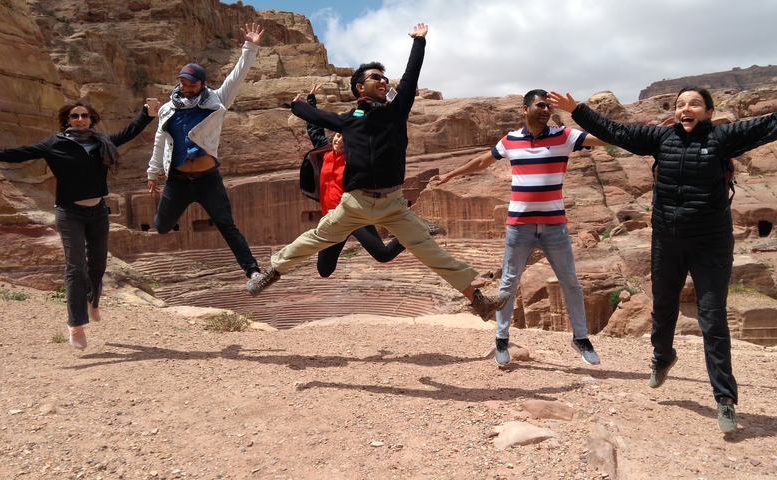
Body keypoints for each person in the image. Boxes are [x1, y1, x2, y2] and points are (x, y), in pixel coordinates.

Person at [548, 75, 777, 433]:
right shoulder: (660, 138)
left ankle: (725, 399)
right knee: (663, 305)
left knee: (712, 318)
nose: (686, 108)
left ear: (708, 112)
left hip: (710, 242)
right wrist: (576, 109)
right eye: (681, 104)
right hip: (666, 241)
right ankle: (662, 357)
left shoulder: (723, 138)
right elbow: (616, 131)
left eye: (695, 104)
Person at [247, 23, 509, 321]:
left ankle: (479, 301)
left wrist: (419, 42)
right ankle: (271, 272)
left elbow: (410, 77)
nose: (384, 81)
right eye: (376, 77)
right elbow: (315, 116)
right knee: (317, 237)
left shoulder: (396, 111)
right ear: (360, 87)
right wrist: (297, 105)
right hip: (355, 204)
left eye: (385, 77)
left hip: (393, 205)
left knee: (430, 252)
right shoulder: (348, 121)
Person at [431, 89, 606, 367]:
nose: (546, 110)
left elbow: (608, 138)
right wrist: (452, 174)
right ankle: (501, 339)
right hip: (519, 226)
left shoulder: (565, 136)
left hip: (554, 226)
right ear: (525, 109)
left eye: (549, 106)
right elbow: (481, 162)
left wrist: (578, 110)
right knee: (508, 283)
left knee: (570, 281)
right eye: (540, 105)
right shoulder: (510, 140)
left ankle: (580, 337)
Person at [0, 100, 158, 349]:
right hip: (69, 213)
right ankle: (76, 324)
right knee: (76, 266)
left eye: (84, 115)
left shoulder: (101, 143)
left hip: (98, 211)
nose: (80, 119)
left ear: (91, 118)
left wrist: (146, 114)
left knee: (98, 262)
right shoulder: (54, 144)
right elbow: (15, 153)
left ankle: (92, 300)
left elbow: (128, 133)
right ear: (67, 119)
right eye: (74, 116)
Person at [147, 24, 265, 289]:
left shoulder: (216, 101)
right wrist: (152, 172)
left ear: (202, 84)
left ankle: (253, 271)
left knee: (226, 224)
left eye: (191, 84)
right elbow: (160, 140)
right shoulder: (168, 109)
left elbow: (237, 78)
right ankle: (162, 217)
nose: (185, 88)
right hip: (177, 179)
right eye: (182, 83)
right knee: (162, 226)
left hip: (207, 178)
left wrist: (251, 47)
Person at [300, 83, 406, 278]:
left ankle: (410, 236)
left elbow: (358, 118)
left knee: (382, 255)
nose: (340, 141)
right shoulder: (323, 153)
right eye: (338, 136)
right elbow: (315, 126)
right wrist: (310, 101)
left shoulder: (355, 155)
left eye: (345, 138)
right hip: (332, 218)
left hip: (354, 214)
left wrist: (370, 107)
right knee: (324, 270)